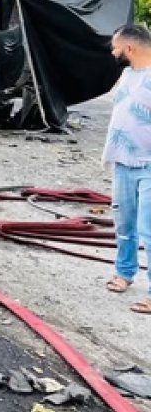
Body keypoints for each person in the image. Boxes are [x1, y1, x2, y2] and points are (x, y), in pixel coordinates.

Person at [104, 24, 151, 313]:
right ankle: (124, 273)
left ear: (130, 49)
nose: (113, 52)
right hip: (122, 161)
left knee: (149, 229)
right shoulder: (127, 75)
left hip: (149, 164)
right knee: (124, 224)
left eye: (115, 47)